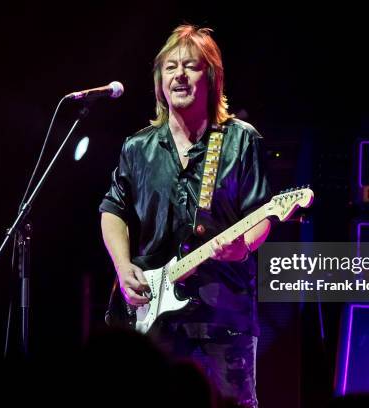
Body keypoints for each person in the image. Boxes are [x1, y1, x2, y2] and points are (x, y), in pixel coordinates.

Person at [99, 24, 271, 407]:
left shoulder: (241, 140)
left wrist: (242, 248)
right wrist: (123, 265)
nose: (179, 75)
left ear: (211, 77)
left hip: (223, 306)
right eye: (170, 66)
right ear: (159, 80)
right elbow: (113, 210)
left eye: (191, 66)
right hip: (150, 307)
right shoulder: (138, 147)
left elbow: (263, 214)